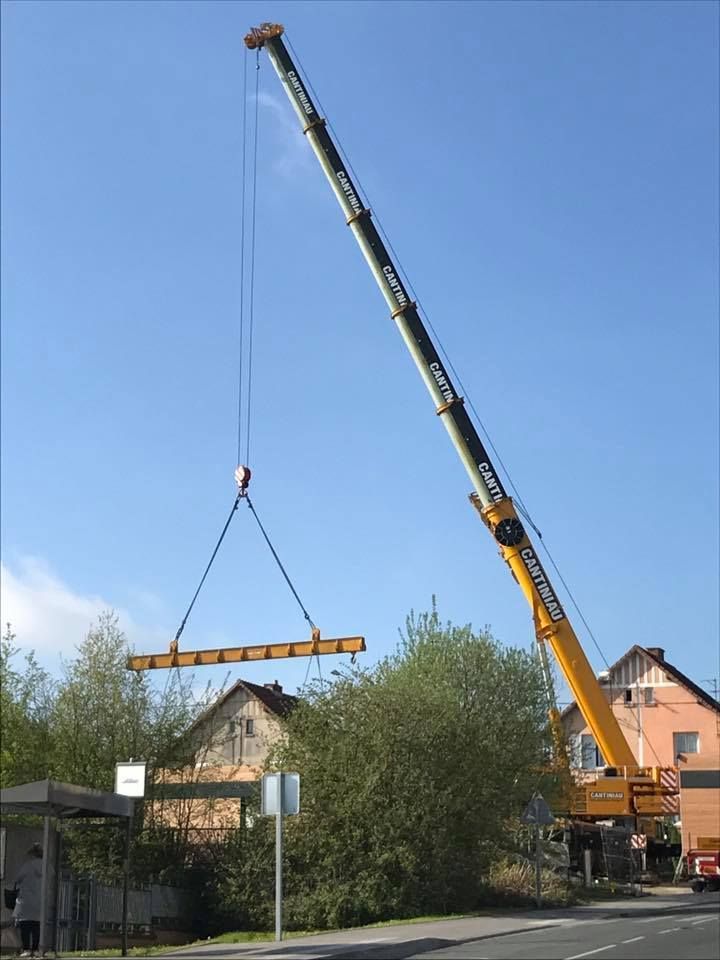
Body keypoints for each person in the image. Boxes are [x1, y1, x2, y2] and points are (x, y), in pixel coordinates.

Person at [12, 843, 43, 958]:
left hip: (26, 899)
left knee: (25, 925)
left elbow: (17, 878)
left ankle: (26, 949)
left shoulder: (27, 865)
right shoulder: (46, 866)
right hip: (40, 899)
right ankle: (35, 949)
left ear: (32, 854)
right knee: (36, 925)